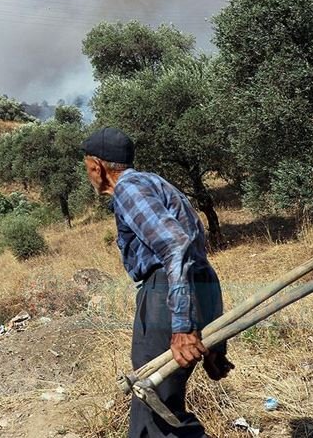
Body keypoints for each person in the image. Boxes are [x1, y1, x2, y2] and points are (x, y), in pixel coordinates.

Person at [81, 127, 234, 437]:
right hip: (198, 287)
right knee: (158, 404)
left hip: (166, 295)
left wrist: (181, 328)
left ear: (97, 166)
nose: (87, 173)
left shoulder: (129, 189)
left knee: (156, 411)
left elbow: (175, 245)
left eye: (86, 166)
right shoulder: (155, 182)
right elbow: (196, 260)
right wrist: (215, 343)